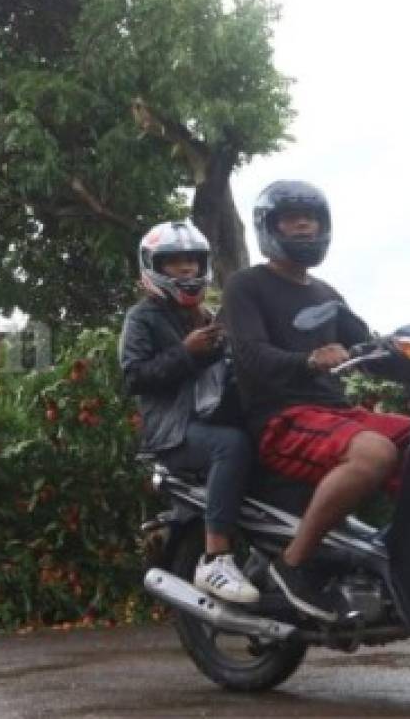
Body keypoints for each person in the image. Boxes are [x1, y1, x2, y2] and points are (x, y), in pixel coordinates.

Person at [221, 180, 410, 621]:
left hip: (337, 415)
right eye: (292, 218)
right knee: (373, 452)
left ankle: (402, 556)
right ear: (269, 228)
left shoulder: (327, 295)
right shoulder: (246, 286)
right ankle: (294, 565)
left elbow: (367, 345)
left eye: (312, 218)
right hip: (282, 417)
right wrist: (309, 361)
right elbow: (249, 353)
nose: (304, 225)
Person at [119, 219, 259, 605]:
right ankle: (215, 556)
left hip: (212, 417)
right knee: (231, 447)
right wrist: (186, 352)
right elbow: (134, 377)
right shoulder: (142, 318)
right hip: (174, 431)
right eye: (174, 263)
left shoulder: (209, 316)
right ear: (154, 268)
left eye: (192, 262)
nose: (186, 270)